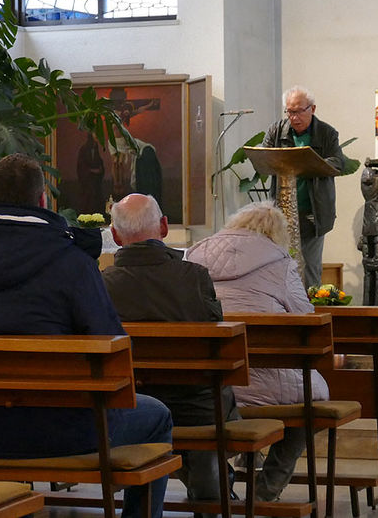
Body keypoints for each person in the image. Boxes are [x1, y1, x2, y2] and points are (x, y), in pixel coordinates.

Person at [0, 153, 172, 518]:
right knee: (157, 416)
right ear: (42, 201)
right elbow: (115, 352)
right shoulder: (72, 262)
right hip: (67, 430)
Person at [102, 193, 237, 518]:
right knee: (212, 392)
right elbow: (214, 342)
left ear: (116, 236)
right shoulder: (194, 277)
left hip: (132, 406)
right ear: (163, 227)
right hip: (197, 407)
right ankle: (211, 484)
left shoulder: (102, 285)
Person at [186, 201, 330, 503]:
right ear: (276, 234)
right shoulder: (281, 263)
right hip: (270, 381)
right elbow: (306, 322)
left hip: (210, 384)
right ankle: (266, 488)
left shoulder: (193, 257)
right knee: (311, 402)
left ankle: (219, 487)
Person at [263, 85, 344, 288]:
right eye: (290, 111)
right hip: (281, 212)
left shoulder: (327, 133)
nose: (294, 117)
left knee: (310, 267)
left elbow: (338, 163)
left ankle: (311, 313)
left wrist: (310, 163)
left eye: (299, 111)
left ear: (312, 109)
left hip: (313, 212)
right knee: (279, 265)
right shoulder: (276, 131)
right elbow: (263, 156)